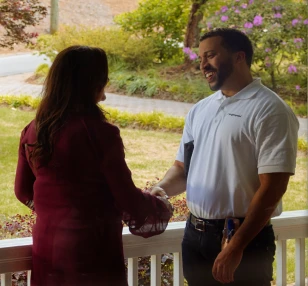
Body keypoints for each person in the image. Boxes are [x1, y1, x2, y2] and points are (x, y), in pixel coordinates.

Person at [150, 28, 299, 286]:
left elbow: (274, 186)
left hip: (242, 238)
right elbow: (182, 169)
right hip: (194, 236)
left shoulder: (270, 110)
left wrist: (236, 246)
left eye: (210, 55)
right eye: (200, 58)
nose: (203, 65)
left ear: (239, 57)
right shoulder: (200, 110)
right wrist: (160, 189)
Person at [14, 45, 173, 286]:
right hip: (92, 252)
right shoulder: (100, 133)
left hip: (47, 247)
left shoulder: (34, 129)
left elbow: (22, 191)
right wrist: (159, 202)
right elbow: (127, 199)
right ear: (92, 82)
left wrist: (55, 211)